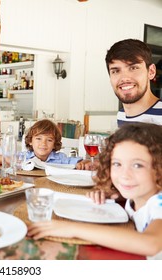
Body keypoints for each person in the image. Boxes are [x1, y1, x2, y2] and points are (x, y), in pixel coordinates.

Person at [27, 123, 162, 258]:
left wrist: (72, 229)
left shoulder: (159, 204)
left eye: (137, 165)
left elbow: (151, 244)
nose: (124, 175)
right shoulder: (139, 197)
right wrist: (115, 196)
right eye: (117, 164)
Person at [105, 39, 162, 127]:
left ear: (151, 72)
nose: (124, 78)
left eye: (133, 68)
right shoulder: (121, 115)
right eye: (116, 71)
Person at [24, 119, 90, 170]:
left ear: (54, 144)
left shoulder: (60, 159)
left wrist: (83, 164)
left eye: (49, 140)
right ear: (30, 141)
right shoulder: (23, 157)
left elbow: (82, 162)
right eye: (38, 139)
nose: (43, 143)